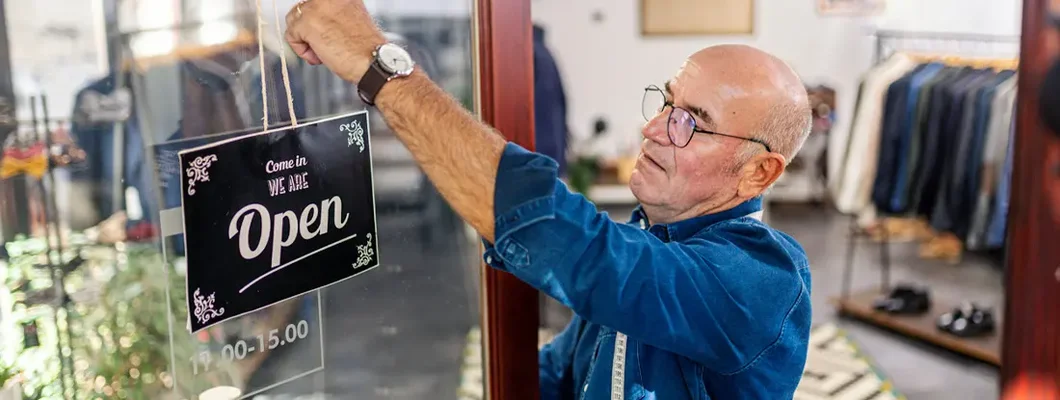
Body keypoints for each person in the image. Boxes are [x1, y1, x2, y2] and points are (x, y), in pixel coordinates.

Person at [284, 0, 813, 398]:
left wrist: (378, 65)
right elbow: (560, 372)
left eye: (691, 122)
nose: (652, 129)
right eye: (666, 104)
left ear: (758, 173)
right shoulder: (650, 238)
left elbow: (572, 246)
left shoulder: (764, 278)